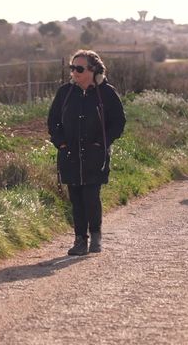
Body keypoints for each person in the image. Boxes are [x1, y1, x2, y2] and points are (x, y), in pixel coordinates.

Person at [47, 50, 126, 256]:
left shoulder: (107, 93)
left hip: (95, 156)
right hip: (70, 155)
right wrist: (61, 144)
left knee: (91, 196)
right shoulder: (65, 93)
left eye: (79, 68)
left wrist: (103, 143)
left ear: (94, 71)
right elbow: (53, 121)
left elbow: (118, 123)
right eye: (72, 68)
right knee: (76, 199)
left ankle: (96, 235)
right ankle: (80, 240)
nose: (74, 72)